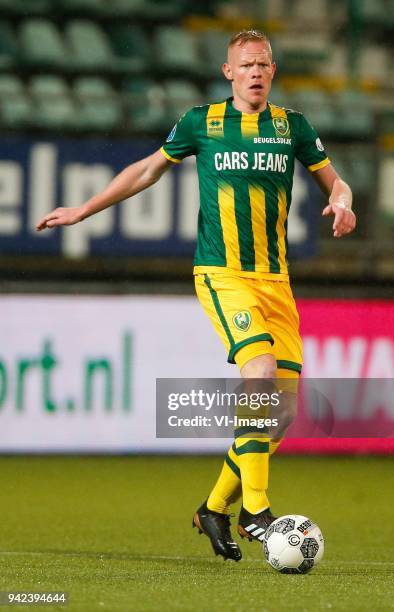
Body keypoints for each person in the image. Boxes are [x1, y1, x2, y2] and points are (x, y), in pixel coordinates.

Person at [36, 30, 356, 562]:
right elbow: (148, 169)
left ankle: (213, 507)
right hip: (222, 272)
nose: (255, 72)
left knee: (280, 416)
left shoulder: (293, 127)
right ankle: (257, 508)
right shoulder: (199, 123)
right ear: (228, 72)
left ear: (273, 71)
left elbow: (336, 182)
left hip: (276, 281)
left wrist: (345, 203)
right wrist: (83, 210)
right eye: (245, 64)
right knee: (258, 371)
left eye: (263, 64)